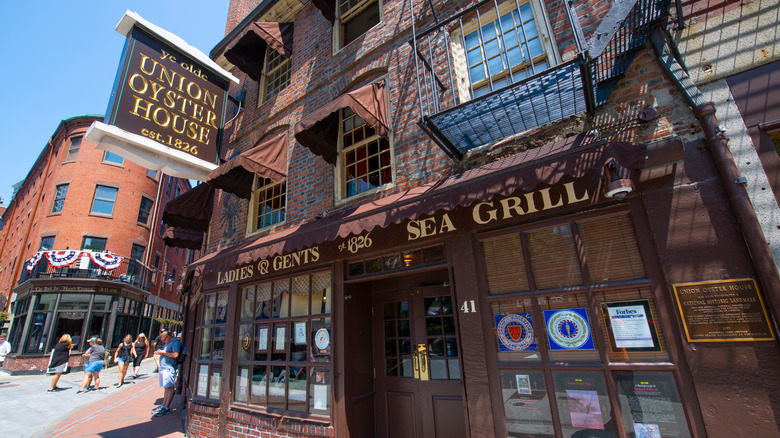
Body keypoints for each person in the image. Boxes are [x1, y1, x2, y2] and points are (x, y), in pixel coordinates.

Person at [152, 330, 182, 417]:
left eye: (164, 340)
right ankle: (163, 405)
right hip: (164, 367)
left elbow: (175, 354)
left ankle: (167, 407)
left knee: (169, 387)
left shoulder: (175, 342)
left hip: (169, 368)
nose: (164, 342)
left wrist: (164, 353)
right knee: (166, 388)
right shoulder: (168, 343)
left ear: (168, 337)